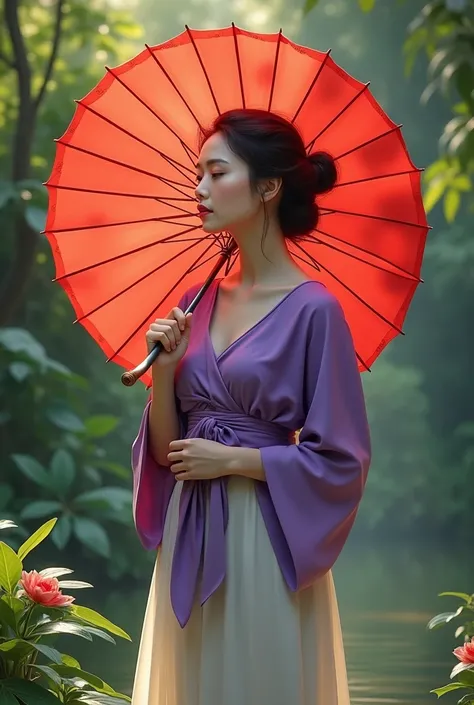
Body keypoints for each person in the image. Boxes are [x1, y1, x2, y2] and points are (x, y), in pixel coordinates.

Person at [130, 108, 371, 705]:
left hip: (264, 533)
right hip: (192, 525)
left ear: (268, 187)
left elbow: (342, 460)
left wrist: (235, 462)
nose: (200, 188)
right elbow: (168, 452)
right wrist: (164, 371)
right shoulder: (195, 301)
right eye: (199, 174)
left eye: (217, 172)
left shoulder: (315, 311)